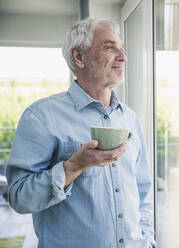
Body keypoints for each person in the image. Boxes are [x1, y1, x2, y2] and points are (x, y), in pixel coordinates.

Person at [6, 18, 155, 248]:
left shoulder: (130, 119)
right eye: (109, 47)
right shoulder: (41, 117)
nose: (123, 57)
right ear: (79, 57)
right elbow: (19, 197)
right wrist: (73, 167)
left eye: (122, 48)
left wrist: (147, 240)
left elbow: (143, 193)